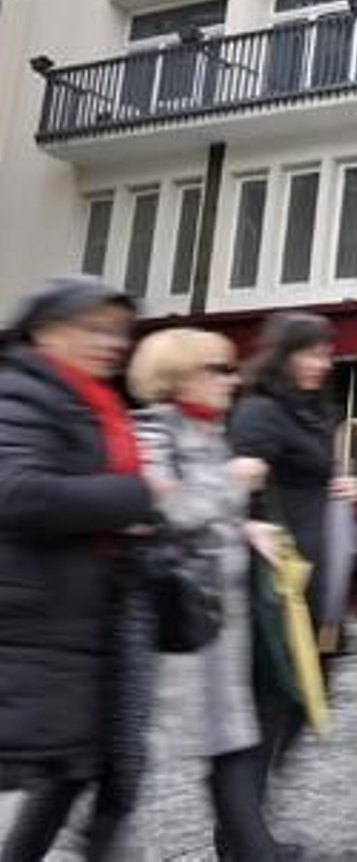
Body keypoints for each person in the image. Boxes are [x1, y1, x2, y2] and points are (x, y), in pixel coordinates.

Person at [0, 277, 162, 861]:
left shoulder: (92, 403)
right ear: (45, 330)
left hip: (95, 621)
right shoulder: (21, 393)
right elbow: (15, 491)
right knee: (68, 768)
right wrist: (137, 497)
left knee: (83, 769)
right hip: (40, 625)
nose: (111, 343)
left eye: (118, 332)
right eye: (93, 329)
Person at [127, 328, 287, 860]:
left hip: (224, 621)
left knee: (233, 741)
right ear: (179, 375)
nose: (232, 379)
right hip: (182, 626)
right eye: (218, 369)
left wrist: (248, 529)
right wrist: (232, 482)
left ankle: (251, 849)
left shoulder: (211, 433)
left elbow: (207, 517)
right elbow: (165, 512)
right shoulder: (151, 430)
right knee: (127, 772)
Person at [227, 312, 357, 829]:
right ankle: (243, 832)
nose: (320, 364)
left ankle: (248, 818)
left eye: (325, 354)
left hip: (323, 587)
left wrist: (341, 487)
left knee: (310, 700)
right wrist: (245, 521)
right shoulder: (259, 411)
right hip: (281, 584)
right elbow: (237, 485)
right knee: (276, 704)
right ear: (282, 354)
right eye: (309, 353)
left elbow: (311, 484)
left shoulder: (319, 415)